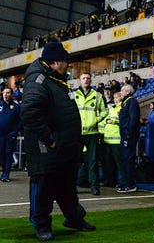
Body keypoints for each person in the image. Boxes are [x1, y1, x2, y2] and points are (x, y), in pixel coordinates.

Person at [21, 41, 96, 241]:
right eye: (65, 62)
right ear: (55, 62)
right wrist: (49, 139)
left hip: (64, 147)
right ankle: (41, 225)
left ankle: (74, 218)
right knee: (43, 186)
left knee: (67, 186)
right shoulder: (38, 80)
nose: (68, 66)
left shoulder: (55, 80)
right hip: (46, 148)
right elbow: (30, 113)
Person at [74, 72, 108, 196]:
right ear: (80, 80)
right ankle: (73, 186)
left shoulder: (97, 95)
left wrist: (96, 120)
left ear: (91, 80)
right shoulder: (73, 95)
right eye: (83, 78)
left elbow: (105, 111)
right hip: (78, 133)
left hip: (92, 133)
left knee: (93, 161)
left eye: (88, 78)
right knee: (75, 161)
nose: (86, 80)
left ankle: (94, 186)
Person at [100, 91, 127, 190]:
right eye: (115, 98)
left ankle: (124, 181)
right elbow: (105, 120)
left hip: (116, 140)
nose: (116, 100)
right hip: (107, 140)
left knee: (119, 163)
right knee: (109, 163)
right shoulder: (111, 109)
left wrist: (114, 121)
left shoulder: (122, 108)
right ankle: (111, 181)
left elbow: (123, 121)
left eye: (118, 98)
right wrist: (108, 121)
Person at [116, 84, 140, 193]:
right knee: (125, 159)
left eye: (122, 90)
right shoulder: (125, 103)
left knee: (128, 159)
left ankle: (131, 184)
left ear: (128, 92)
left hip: (128, 135)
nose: (120, 92)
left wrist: (128, 132)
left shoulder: (132, 102)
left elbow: (133, 119)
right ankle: (126, 182)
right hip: (125, 134)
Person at [0, 87, 21, 182]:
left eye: (8, 93)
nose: (5, 94)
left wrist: (14, 132)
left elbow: (20, 121)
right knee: (1, 154)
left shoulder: (16, 107)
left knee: (8, 153)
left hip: (10, 135)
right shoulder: (0, 105)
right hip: (0, 134)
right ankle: (3, 171)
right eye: (4, 93)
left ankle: (6, 174)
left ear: (11, 94)